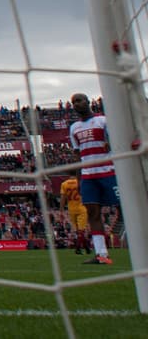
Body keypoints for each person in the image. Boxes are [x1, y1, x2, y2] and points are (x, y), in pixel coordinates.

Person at [69, 93, 119, 265]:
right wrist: (79, 179)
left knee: (126, 208)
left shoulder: (103, 121)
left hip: (109, 171)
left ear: (88, 101)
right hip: (88, 175)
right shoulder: (74, 128)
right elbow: (77, 155)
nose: (76, 104)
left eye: (79, 100)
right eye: (73, 102)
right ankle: (101, 254)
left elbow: (115, 142)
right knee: (93, 213)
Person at [60, 175, 91, 255]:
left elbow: (63, 198)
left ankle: (87, 248)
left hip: (71, 209)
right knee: (81, 231)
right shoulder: (80, 182)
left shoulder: (64, 184)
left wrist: (61, 211)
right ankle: (77, 248)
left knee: (79, 232)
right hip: (81, 208)